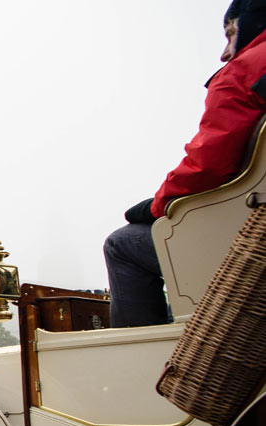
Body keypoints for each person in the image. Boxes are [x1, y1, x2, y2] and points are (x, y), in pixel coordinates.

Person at [104, 0, 266, 327]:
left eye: (231, 34)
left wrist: (157, 206)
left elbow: (208, 164)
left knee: (121, 244)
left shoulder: (245, 70)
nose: (224, 52)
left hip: (251, 240)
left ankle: (146, 358)